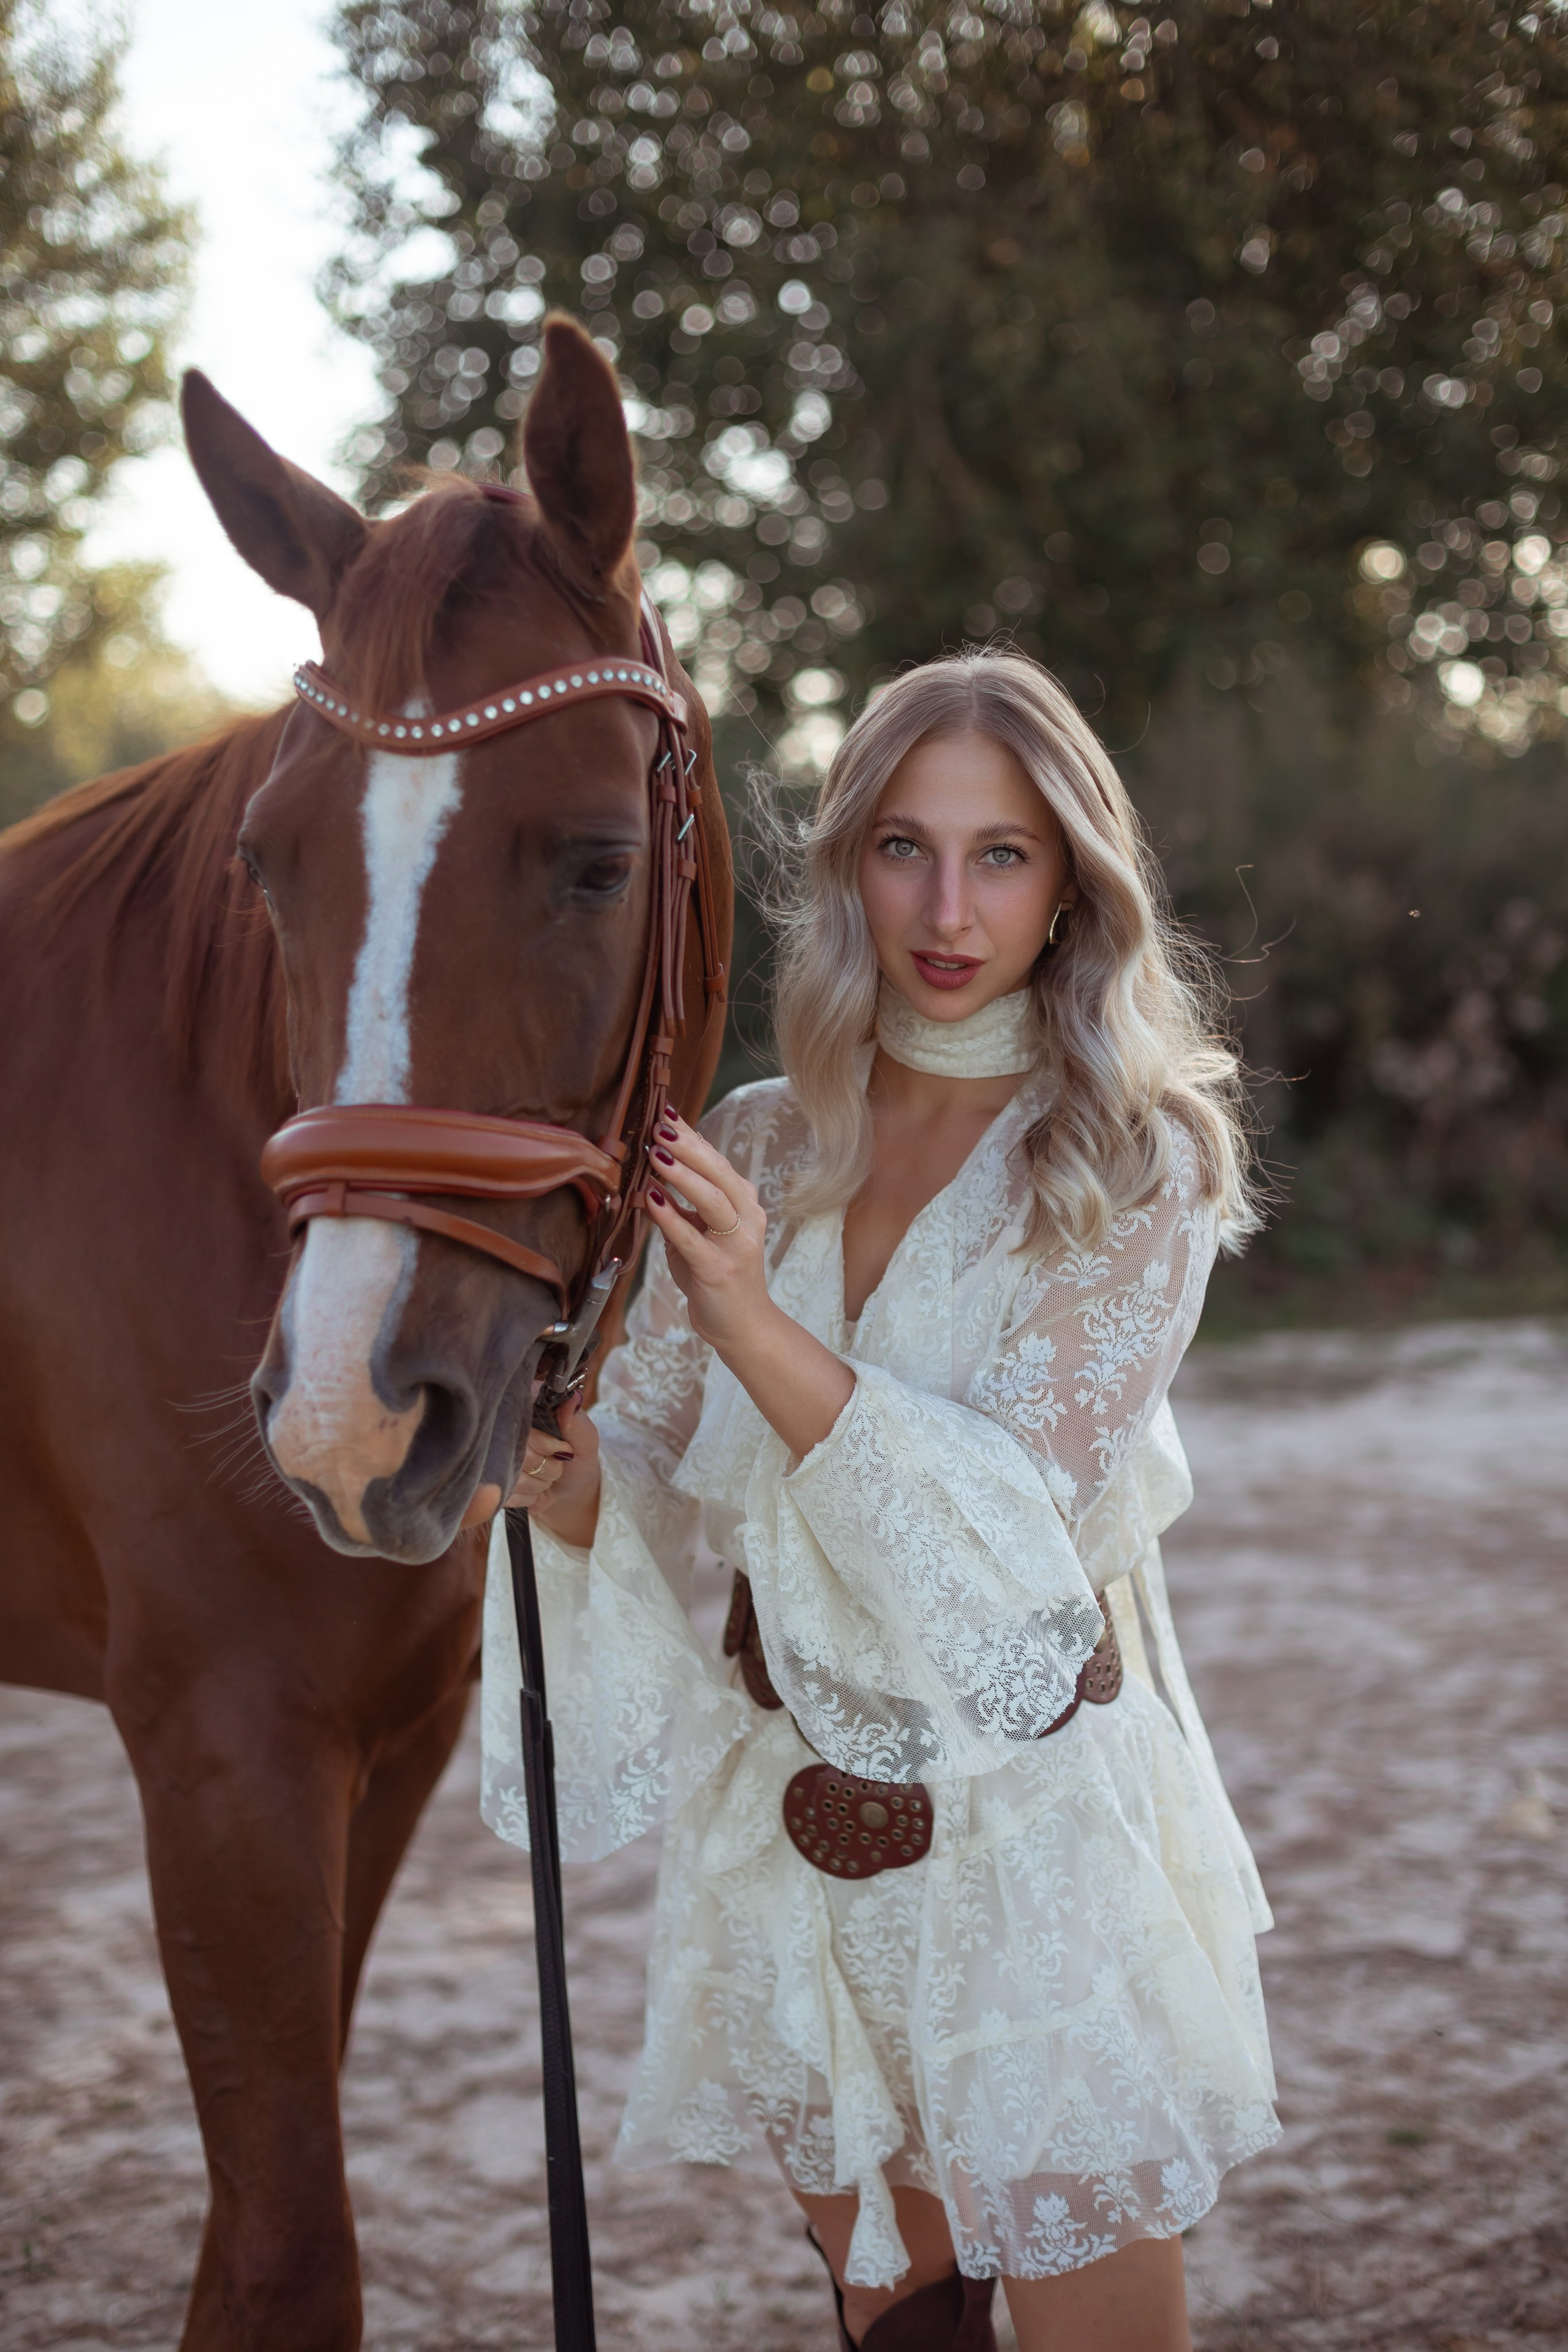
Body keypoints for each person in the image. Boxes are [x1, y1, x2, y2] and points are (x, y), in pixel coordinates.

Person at [482, 649, 1279, 2351]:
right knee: (897, 2329)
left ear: (1073, 882)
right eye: (903, 846)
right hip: (790, 1831)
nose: (947, 902)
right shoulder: (763, 1142)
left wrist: (754, 1320)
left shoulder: (1137, 1158)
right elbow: (645, 1474)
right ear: (847, 863)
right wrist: (562, 1484)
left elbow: (1002, 1536)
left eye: (1002, 855)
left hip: (1027, 1841)